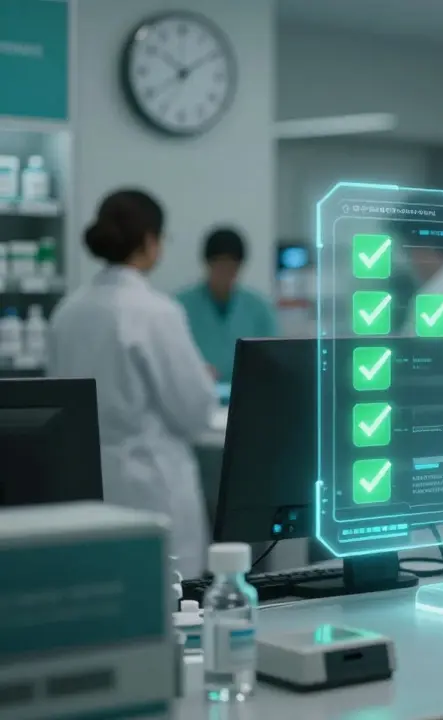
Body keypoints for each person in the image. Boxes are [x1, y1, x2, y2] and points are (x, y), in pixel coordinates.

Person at [47, 190, 217, 578]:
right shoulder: (156, 312)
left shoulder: (68, 311)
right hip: (151, 488)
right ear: (149, 240)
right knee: (171, 610)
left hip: (87, 489)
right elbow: (193, 411)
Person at [176, 227, 277, 381]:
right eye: (220, 266)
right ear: (207, 264)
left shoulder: (259, 308)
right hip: (196, 395)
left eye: (231, 267)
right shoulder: (179, 307)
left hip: (247, 394)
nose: (225, 273)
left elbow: (274, 358)